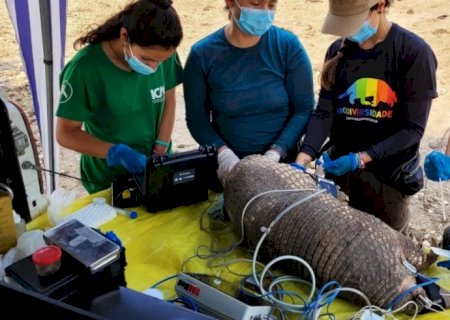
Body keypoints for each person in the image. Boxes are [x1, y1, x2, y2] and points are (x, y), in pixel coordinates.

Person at [295, 0, 438, 232]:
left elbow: (413, 129)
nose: (347, 32)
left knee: (382, 245)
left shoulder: (413, 53)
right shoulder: (337, 52)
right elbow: (324, 112)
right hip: (339, 168)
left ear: (379, 6)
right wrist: (303, 160)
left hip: (388, 177)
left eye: (352, 22)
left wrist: (361, 158)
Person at [183, 0, 315, 188]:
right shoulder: (202, 54)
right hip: (228, 170)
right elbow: (197, 119)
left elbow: (304, 109)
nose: (264, 11)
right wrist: (224, 154)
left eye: (271, 5)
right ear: (230, 2)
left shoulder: (287, 46)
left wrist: (277, 152)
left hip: (282, 169)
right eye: (256, 3)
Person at [55, 0, 183, 194]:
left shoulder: (161, 53)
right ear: (125, 36)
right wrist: (114, 152)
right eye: (146, 59)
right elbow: (66, 133)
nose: (154, 68)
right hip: (107, 178)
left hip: (157, 166)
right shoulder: (84, 69)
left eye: (161, 61)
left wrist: (160, 149)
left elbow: (169, 102)